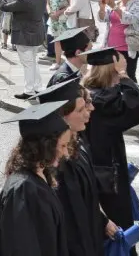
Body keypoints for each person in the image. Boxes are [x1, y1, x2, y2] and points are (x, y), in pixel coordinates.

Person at [32, 77, 114, 256]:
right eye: (81, 108)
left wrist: (102, 221)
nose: (90, 110)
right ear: (62, 116)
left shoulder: (78, 144)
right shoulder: (52, 162)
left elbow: (85, 198)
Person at [82, 47, 139, 256]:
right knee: (118, 232)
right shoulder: (104, 102)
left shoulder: (88, 94)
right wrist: (124, 75)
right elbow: (138, 106)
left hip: (92, 171)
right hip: (107, 178)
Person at [0, 101, 73, 256]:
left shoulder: (40, 176)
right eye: (62, 146)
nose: (66, 153)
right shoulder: (22, 190)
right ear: (45, 145)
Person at [0, 0, 47, 99]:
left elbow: (4, 7)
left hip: (24, 36)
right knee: (33, 62)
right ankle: (37, 87)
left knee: (28, 64)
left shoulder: (23, 0)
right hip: (36, 34)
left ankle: (29, 91)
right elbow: (26, 4)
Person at [98, 0, 139, 79]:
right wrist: (102, 8)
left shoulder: (137, 4)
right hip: (111, 47)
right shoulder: (117, 3)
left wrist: (114, 7)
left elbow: (130, 19)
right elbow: (103, 19)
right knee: (112, 77)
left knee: (128, 76)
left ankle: (131, 95)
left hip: (127, 48)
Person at [46, 0, 74, 70]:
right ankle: (57, 62)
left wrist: (58, 13)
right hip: (53, 18)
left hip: (64, 17)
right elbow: (47, 2)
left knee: (66, 41)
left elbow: (71, 4)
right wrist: (50, 12)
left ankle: (69, 63)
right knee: (56, 40)